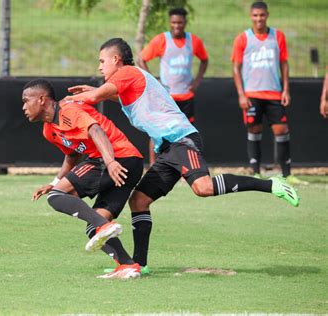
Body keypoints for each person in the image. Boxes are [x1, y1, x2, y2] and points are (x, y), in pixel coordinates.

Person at [65, 37, 300, 271]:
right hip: (168, 148)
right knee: (139, 201)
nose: (99, 66)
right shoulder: (129, 80)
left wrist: (66, 102)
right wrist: (95, 92)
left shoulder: (126, 72)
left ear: (116, 60)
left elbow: (96, 98)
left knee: (203, 188)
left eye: (102, 61)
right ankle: (140, 264)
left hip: (181, 140)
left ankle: (271, 185)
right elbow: (121, 96)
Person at [22, 79, 143, 279]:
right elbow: (72, 155)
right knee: (92, 227)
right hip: (130, 163)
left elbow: (96, 130)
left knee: (56, 197)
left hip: (117, 158)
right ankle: (127, 266)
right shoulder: (49, 130)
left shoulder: (67, 110)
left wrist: (111, 162)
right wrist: (54, 182)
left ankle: (105, 226)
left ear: (42, 99)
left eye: (26, 101)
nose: (24, 107)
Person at [231, 1, 305, 184]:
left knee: (282, 130)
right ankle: (256, 172)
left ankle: (287, 174)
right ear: (251, 16)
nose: (258, 19)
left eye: (261, 15)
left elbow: (284, 64)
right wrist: (241, 94)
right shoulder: (243, 38)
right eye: (255, 15)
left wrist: (285, 89)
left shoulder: (277, 36)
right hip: (252, 94)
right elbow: (235, 67)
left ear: (267, 15)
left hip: (274, 94)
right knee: (254, 129)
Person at [138, 7, 208, 164]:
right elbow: (142, 59)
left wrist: (197, 81)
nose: (177, 26)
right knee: (157, 132)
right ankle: (153, 166)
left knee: (186, 133)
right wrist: (155, 83)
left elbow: (204, 59)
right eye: (174, 22)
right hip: (166, 97)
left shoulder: (193, 41)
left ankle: (186, 166)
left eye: (180, 22)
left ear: (185, 22)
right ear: (170, 23)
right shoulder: (162, 40)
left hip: (186, 96)